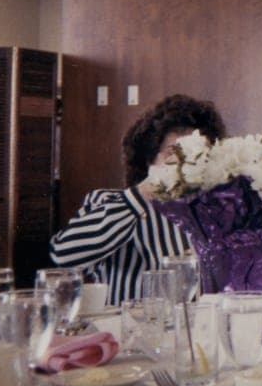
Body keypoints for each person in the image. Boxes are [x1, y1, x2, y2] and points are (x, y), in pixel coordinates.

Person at [50, 94, 226, 305]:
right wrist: (145, 192)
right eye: (173, 153)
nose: (185, 163)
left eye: (197, 153)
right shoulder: (110, 201)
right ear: (149, 158)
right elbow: (63, 257)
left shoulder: (217, 211)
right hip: (134, 330)